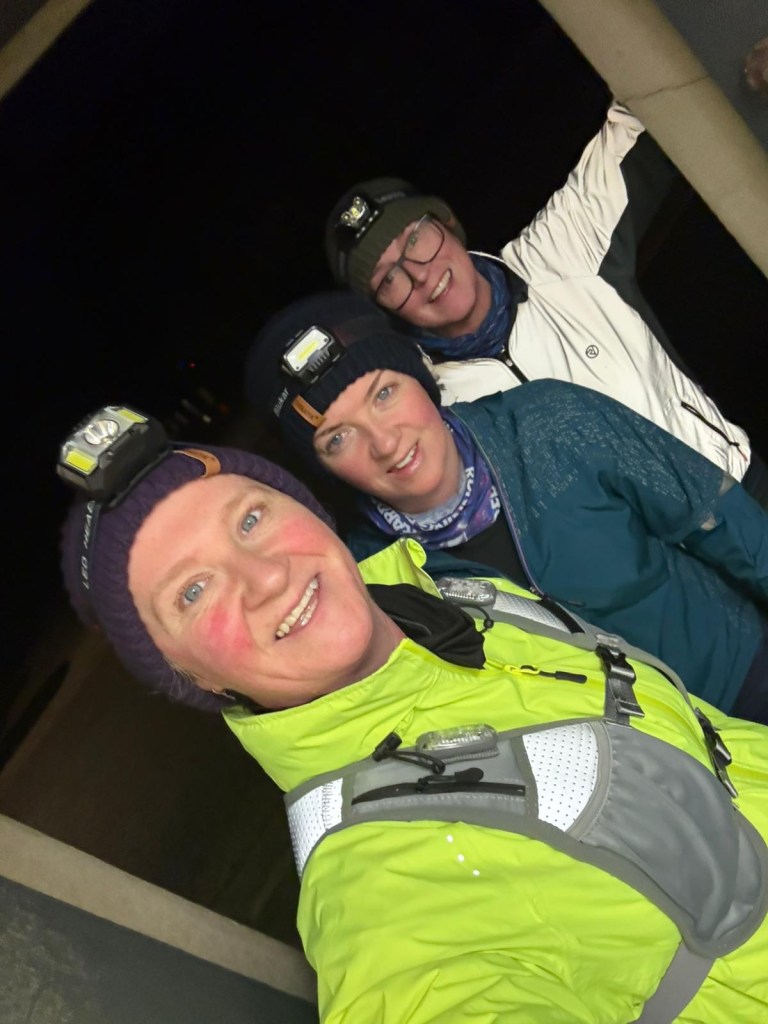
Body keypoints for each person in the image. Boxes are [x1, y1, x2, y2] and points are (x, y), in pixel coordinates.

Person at [57, 404, 768, 1023]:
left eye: (249, 518)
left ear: (307, 509)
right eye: (193, 593)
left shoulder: (455, 597)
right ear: (191, 678)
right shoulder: (380, 891)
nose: (266, 576)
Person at [245, 291, 768, 722]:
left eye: (384, 394)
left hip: (743, 675)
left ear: (421, 379)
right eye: (338, 438)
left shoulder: (549, 419)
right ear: (324, 468)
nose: (383, 442)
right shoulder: (375, 578)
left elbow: (719, 518)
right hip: (652, 771)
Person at [323, 101, 768, 508]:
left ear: (447, 223)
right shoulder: (437, 410)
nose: (418, 274)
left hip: (740, 493)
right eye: (388, 279)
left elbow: (650, 101)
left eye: (415, 238)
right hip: (658, 567)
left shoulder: (560, 250)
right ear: (384, 309)